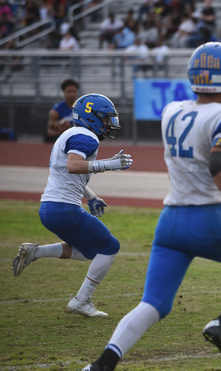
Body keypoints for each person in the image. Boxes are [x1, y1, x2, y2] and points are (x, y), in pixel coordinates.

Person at [78, 42, 221, 371]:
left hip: (170, 221)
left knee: (153, 304)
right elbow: (217, 162)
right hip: (206, 219)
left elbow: (203, 155)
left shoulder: (172, 110)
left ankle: (102, 367)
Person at [13, 94, 132, 316]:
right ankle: (81, 301)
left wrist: (91, 196)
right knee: (109, 247)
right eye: (106, 119)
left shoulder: (69, 133)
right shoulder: (86, 136)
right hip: (64, 209)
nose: (109, 124)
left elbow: (65, 174)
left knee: (89, 251)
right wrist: (109, 164)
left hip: (48, 208)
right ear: (92, 117)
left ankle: (34, 253)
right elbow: (73, 166)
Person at [45, 78, 79, 143]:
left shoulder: (81, 108)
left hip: (77, 142)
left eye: (74, 91)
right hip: (62, 143)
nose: (72, 94)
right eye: (69, 91)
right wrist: (60, 132)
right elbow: (49, 131)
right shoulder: (56, 110)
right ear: (64, 92)